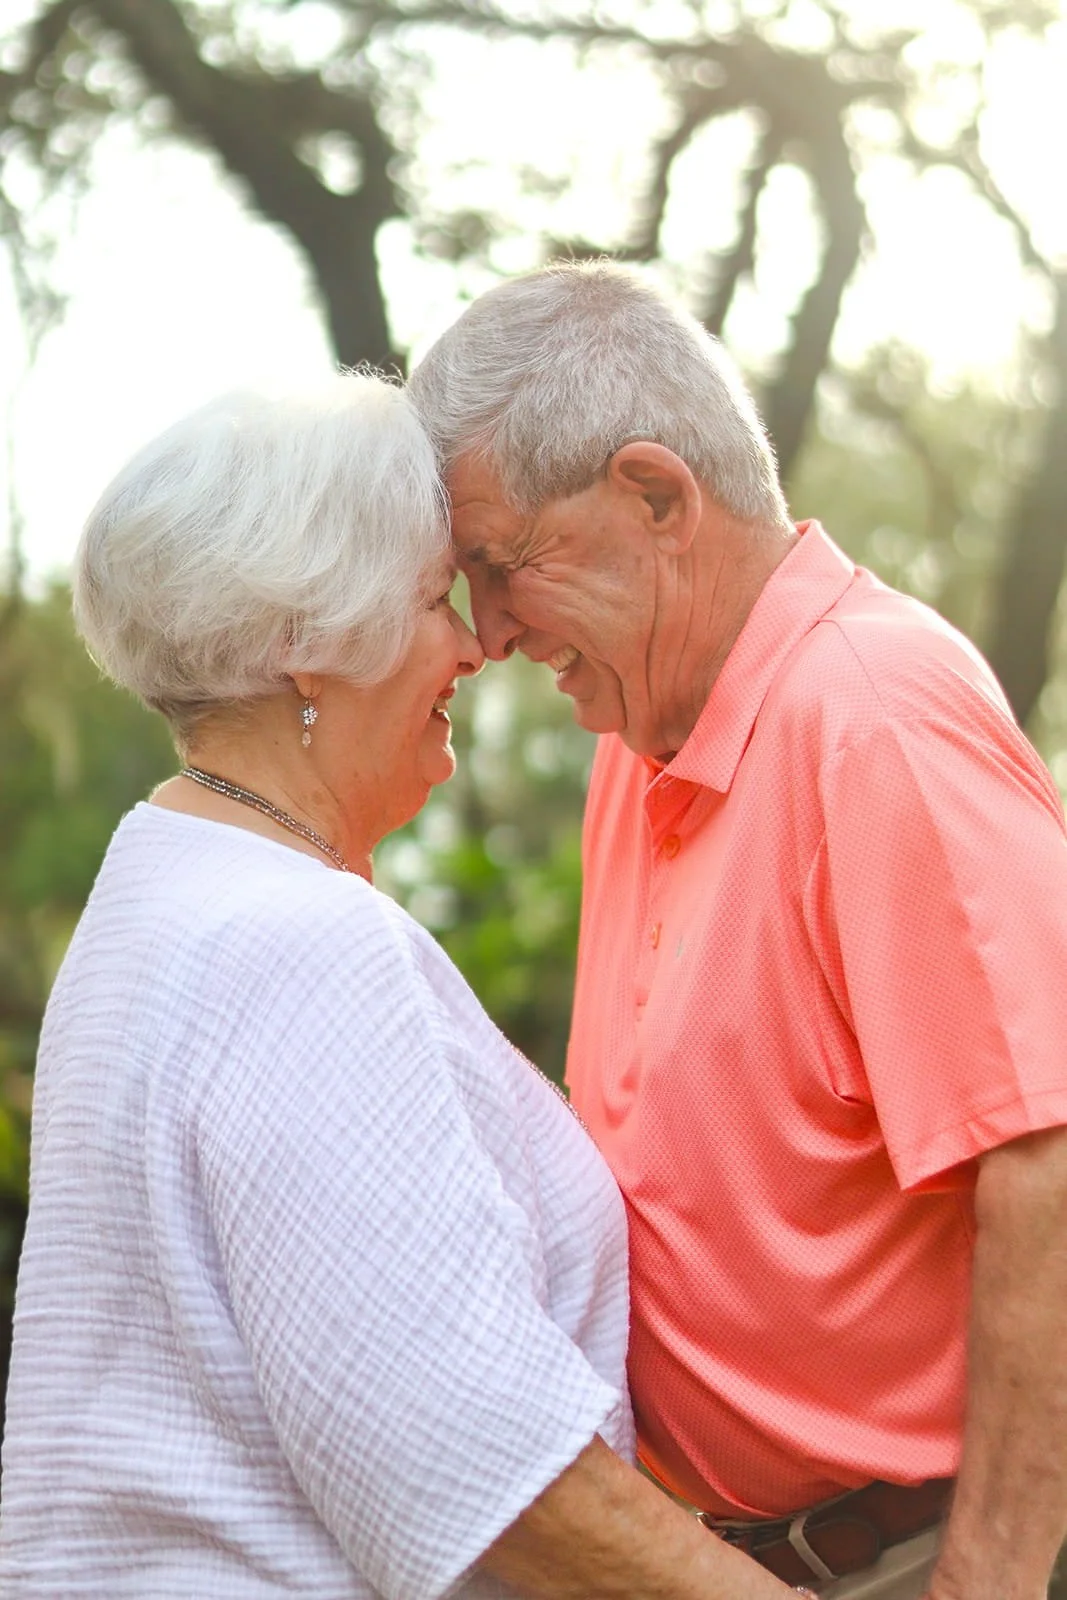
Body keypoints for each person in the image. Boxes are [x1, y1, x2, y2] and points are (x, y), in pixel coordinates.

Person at [0, 374, 795, 1600]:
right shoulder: (293, 943)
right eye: (434, 600)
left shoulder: (160, 890)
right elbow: (490, 1474)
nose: (476, 647)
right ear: (309, 646)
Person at [408, 263, 1067, 1600]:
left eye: (499, 565)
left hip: (913, 1562)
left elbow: (1046, 1164)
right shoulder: (639, 733)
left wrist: (986, 1578)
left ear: (656, 497)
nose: (482, 635)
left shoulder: (868, 714)